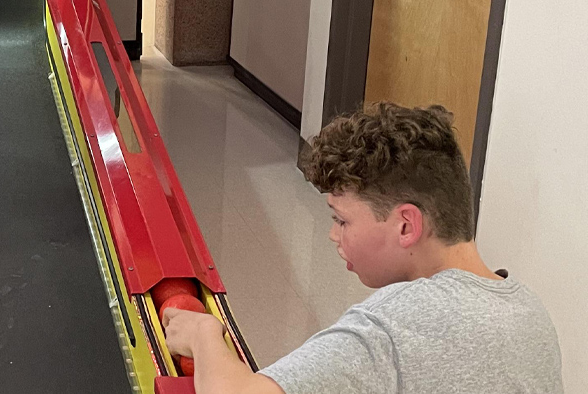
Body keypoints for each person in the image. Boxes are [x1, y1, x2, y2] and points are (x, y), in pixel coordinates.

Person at [164, 102, 563, 394]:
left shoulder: (393, 325)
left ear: (406, 224)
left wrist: (203, 334)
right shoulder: (529, 311)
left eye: (341, 220)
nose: (333, 236)